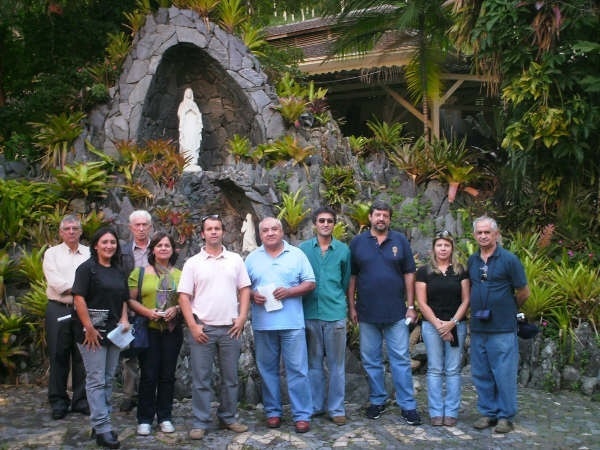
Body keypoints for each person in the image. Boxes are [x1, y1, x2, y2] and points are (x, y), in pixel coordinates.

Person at [177, 214, 251, 440]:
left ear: (223, 232)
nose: (213, 232)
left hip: (231, 328)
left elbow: (245, 289)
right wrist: (193, 326)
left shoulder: (235, 260)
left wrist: (241, 318)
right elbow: (183, 296)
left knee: (231, 378)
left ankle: (228, 417)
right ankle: (200, 421)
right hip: (203, 329)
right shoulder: (193, 263)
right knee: (201, 379)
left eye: (217, 228)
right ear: (203, 234)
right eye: (209, 229)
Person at [348, 200, 421, 426]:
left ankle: (407, 405)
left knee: (400, 359)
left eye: (385, 216)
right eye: (377, 215)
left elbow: (409, 274)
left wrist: (411, 305)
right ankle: (377, 400)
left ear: (389, 219)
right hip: (367, 313)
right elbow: (352, 277)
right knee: (371, 360)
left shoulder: (400, 241)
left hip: (396, 313)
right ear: (370, 217)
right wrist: (351, 306)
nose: (381, 219)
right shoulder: (358, 243)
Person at [245, 217, 316, 433]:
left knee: (298, 370)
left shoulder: (297, 255)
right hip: (263, 324)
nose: (270, 233)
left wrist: (290, 291)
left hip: (292, 324)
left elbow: (310, 283)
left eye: (274, 228)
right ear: (260, 234)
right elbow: (242, 287)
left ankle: (302, 415)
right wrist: (252, 295)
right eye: (265, 230)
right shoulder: (251, 258)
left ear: (282, 231)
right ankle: (273, 412)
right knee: (267, 371)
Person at [468, 216, 530, 434]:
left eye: (487, 232)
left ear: (495, 234)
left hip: (502, 327)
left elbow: (524, 292)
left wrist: (508, 307)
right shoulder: (472, 261)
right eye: (479, 233)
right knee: (481, 373)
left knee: (504, 373)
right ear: (475, 235)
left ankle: (505, 416)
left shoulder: (509, 260)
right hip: (478, 327)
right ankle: (488, 412)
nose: (483, 236)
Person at [72, 227, 130, 449]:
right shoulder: (86, 269)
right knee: (96, 379)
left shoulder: (117, 270)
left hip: (114, 333)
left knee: (107, 378)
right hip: (91, 334)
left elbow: (123, 298)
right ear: (95, 245)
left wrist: (124, 319)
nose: (109, 246)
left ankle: (100, 423)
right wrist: (88, 327)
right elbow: (79, 299)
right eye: (104, 242)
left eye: (112, 242)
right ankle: (103, 427)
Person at [299, 206, 351, 425]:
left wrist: (347, 307)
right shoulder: (302, 250)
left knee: (337, 365)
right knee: (313, 364)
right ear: (315, 224)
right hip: (310, 313)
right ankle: (316, 406)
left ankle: (337, 409)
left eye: (330, 221)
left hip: (335, 313)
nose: (325, 224)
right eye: (321, 220)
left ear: (334, 224)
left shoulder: (343, 250)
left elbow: (346, 281)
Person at [127, 232, 183, 436]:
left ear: (173, 250)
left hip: (172, 331)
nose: (163, 248)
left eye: (167, 245)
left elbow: (186, 300)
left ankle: (165, 416)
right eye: (159, 245)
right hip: (148, 330)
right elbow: (131, 300)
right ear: (152, 250)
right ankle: (144, 418)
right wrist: (147, 312)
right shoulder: (140, 273)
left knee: (167, 375)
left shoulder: (180, 274)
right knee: (148, 375)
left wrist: (175, 309)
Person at [416, 230, 470, 427]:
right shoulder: (424, 272)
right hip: (432, 326)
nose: (443, 248)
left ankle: (452, 411)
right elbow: (421, 302)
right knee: (435, 369)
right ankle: (436, 411)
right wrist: (439, 324)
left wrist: (452, 323)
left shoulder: (460, 270)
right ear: (433, 248)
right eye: (439, 245)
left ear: (452, 248)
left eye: (446, 245)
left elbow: (466, 300)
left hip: (457, 325)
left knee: (453, 370)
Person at [43, 214, 90, 420]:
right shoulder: (52, 254)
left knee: (82, 355)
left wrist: (80, 294)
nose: (71, 232)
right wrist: (80, 290)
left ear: (80, 231)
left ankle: (80, 400)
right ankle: (58, 401)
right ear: (61, 232)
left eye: (75, 228)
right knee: (58, 355)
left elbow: (94, 278)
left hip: (84, 310)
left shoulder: (90, 253)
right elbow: (56, 283)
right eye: (67, 228)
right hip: (58, 308)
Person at [119, 209, 152, 413]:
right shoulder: (122, 252)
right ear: (130, 228)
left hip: (153, 306)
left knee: (151, 353)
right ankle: (129, 395)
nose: (141, 229)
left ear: (150, 226)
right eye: (137, 225)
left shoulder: (158, 248)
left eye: (144, 225)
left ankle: (148, 394)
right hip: (128, 307)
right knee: (129, 355)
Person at [177, 87, 203, 172]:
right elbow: (179, 114)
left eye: (190, 92)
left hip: (193, 128)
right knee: (186, 143)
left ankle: (193, 161)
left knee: (194, 143)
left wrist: (194, 111)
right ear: (185, 94)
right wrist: (186, 110)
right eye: (187, 92)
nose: (188, 94)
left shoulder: (194, 104)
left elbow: (199, 115)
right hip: (186, 127)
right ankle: (186, 162)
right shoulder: (182, 104)